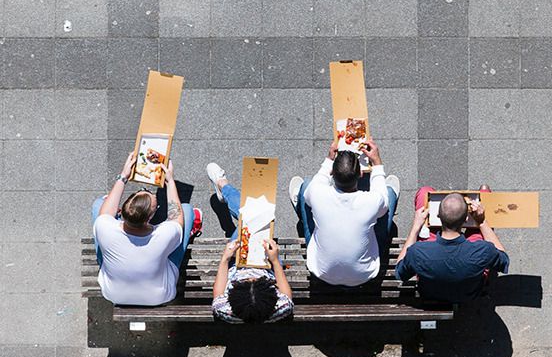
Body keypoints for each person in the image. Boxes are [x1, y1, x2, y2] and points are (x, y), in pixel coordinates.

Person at [286, 136, 400, 287]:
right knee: (389, 193)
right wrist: (377, 163)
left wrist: (329, 158)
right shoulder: (372, 201)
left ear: (332, 173)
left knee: (306, 186)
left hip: (322, 271)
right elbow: (384, 202)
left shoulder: (316, 192)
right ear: (361, 174)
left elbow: (319, 179)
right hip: (364, 274)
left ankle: (301, 206)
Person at [92, 152, 200, 306]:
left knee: (98, 205)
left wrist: (124, 176)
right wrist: (170, 182)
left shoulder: (105, 228)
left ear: (121, 212)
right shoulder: (165, 234)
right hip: (160, 296)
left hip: (113, 294)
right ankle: (189, 231)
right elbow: (176, 216)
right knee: (186, 210)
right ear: (150, 218)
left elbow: (104, 214)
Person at [205, 162, 293, 323]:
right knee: (255, 218)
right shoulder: (281, 307)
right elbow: (287, 294)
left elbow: (217, 294)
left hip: (237, 263)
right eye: (255, 281)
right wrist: (274, 261)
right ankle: (224, 187)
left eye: (245, 282)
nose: (251, 277)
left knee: (247, 218)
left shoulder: (224, 309)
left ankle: (223, 186)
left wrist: (225, 258)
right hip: (268, 265)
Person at [395, 193, 509, 302]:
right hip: (469, 294)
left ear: (438, 216)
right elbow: (504, 260)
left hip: (430, 295)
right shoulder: (483, 250)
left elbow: (400, 273)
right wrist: (482, 222)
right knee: (484, 193)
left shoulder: (417, 252)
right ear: (466, 219)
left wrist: (415, 227)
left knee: (424, 191)